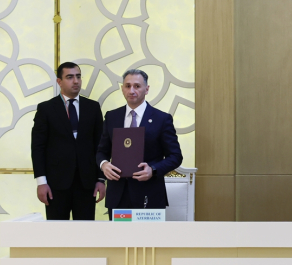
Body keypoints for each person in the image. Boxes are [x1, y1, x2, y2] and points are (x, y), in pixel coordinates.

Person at [96, 69, 182, 218]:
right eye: (127, 86)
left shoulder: (162, 119)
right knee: (120, 234)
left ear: (146, 89)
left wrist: (153, 170)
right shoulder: (112, 117)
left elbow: (175, 156)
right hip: (118, 196)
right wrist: (104, 164)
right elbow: (101, 151)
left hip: (149, 195)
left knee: (147, 234)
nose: (132, 90)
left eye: (137, 86)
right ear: (122, 89)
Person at [31, 62, 105, 220]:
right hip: (55, 183)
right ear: (59, 81)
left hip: (87, 183)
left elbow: (100, 146)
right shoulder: (46, 108)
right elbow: (38, 147)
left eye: (78, 76)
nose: (76, 81)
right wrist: (41, 182)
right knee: (57, 232)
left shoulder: (93, 107)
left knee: (85, 231)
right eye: (70, 77)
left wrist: (100, 179)